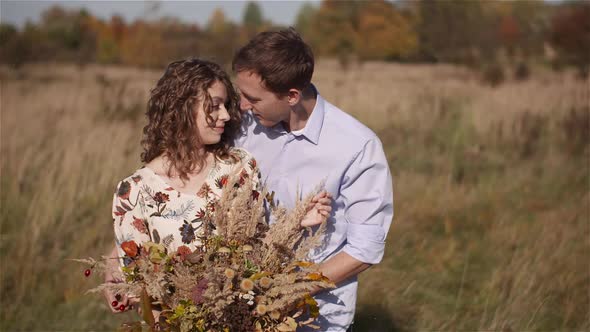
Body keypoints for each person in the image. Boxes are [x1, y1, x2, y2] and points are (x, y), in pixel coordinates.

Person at [103, 59, 332, 316]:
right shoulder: (134, 191)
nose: (224, 115)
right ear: (181, 109)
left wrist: (296, 221)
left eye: (225, 105)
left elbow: (258, 250)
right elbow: (140, 289)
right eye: (214, 106)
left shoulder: (238, 168)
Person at [233, 28, 394, 331]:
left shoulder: (357, 147)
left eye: (252, 98)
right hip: (236, 305)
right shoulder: (244, 127)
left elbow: (364, 249)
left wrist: (289, 291)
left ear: (292, 95)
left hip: (315, 317)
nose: (241, 106)